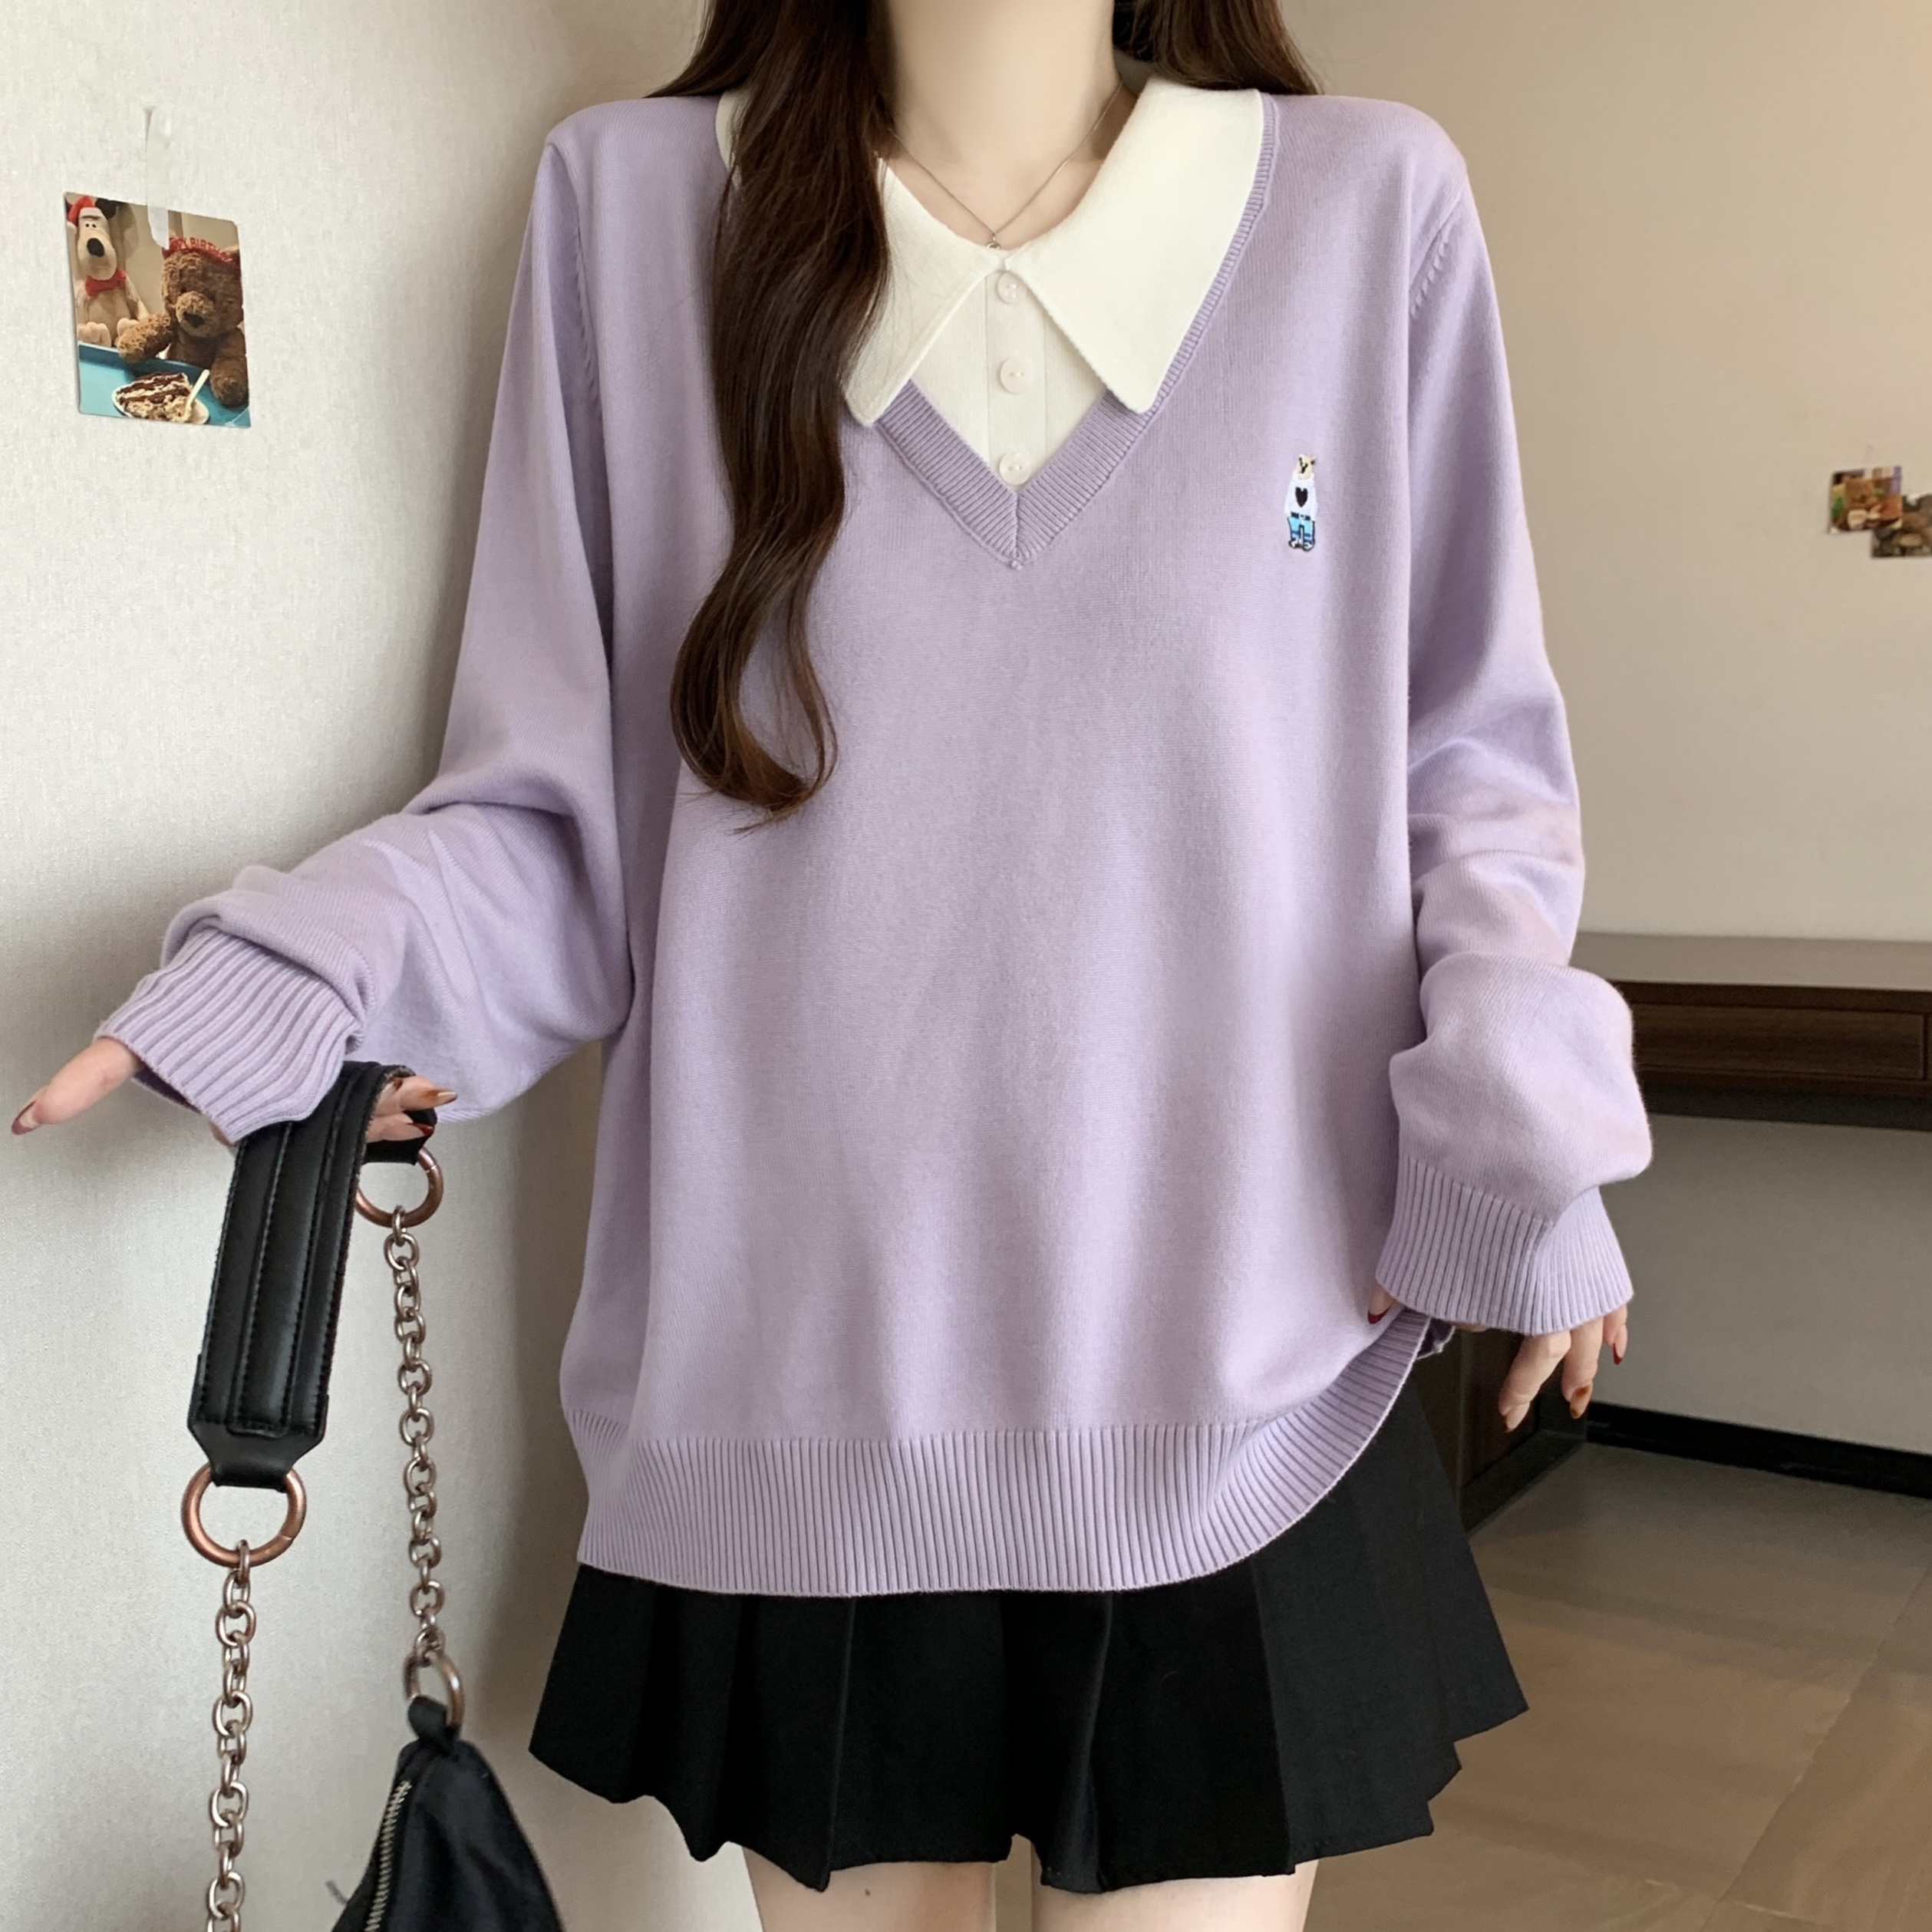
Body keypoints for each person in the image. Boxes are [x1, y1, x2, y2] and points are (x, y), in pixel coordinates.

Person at [15, 0, 1653, 1925]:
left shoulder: (1364, 208)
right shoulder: (632, 213)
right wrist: (288, 977)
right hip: (808, 1391)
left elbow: (1464, 780)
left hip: (1248, 1386)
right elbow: (558, 825)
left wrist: (1512, 1139)